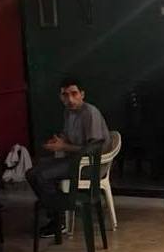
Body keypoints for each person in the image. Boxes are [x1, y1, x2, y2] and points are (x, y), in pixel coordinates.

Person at [26, 78, 110, 237]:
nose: (70, 99)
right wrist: (58, 141)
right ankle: (57, 211)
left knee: (43, 175)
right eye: (65, 95)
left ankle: (59, 220)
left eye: (74, 94)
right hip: (73, 159)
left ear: (82, 94)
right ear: (60, 97)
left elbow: (93, 149)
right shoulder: (68, 112)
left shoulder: (89, 113)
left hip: (89, 164)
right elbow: (68, 136)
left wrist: (63, 147)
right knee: (32, 173)